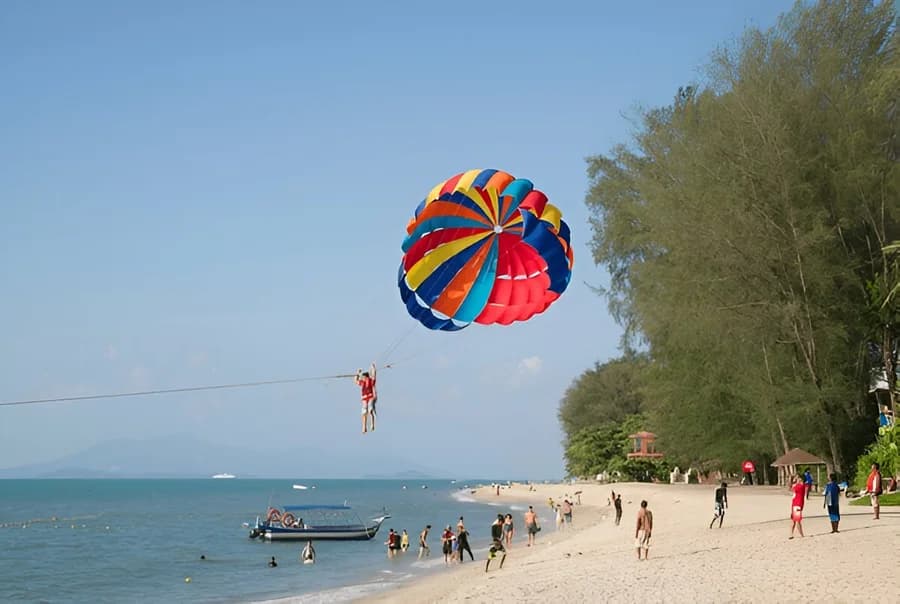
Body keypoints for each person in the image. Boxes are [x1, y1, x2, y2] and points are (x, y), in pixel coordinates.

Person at [354, 363, 377, 433]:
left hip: (370, 397)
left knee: (370, 410)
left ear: (366, 377)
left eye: (363, 377)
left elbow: (374, 375)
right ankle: (364, 427)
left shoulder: (371, 381)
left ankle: (372, 424)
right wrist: (357, 373)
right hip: (364, 399)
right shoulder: (362, 383)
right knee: (364, 412)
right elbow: (355, 380)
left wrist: (373, 368)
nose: (362, 378)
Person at [790, 475, 806, 539]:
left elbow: (792, 487)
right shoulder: (800, 485)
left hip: (797, 504)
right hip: (796, 504)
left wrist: (793, 480)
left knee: (797, 520)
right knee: (794, 520)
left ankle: (801, 534)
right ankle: (791, 534)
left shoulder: (800, 486)